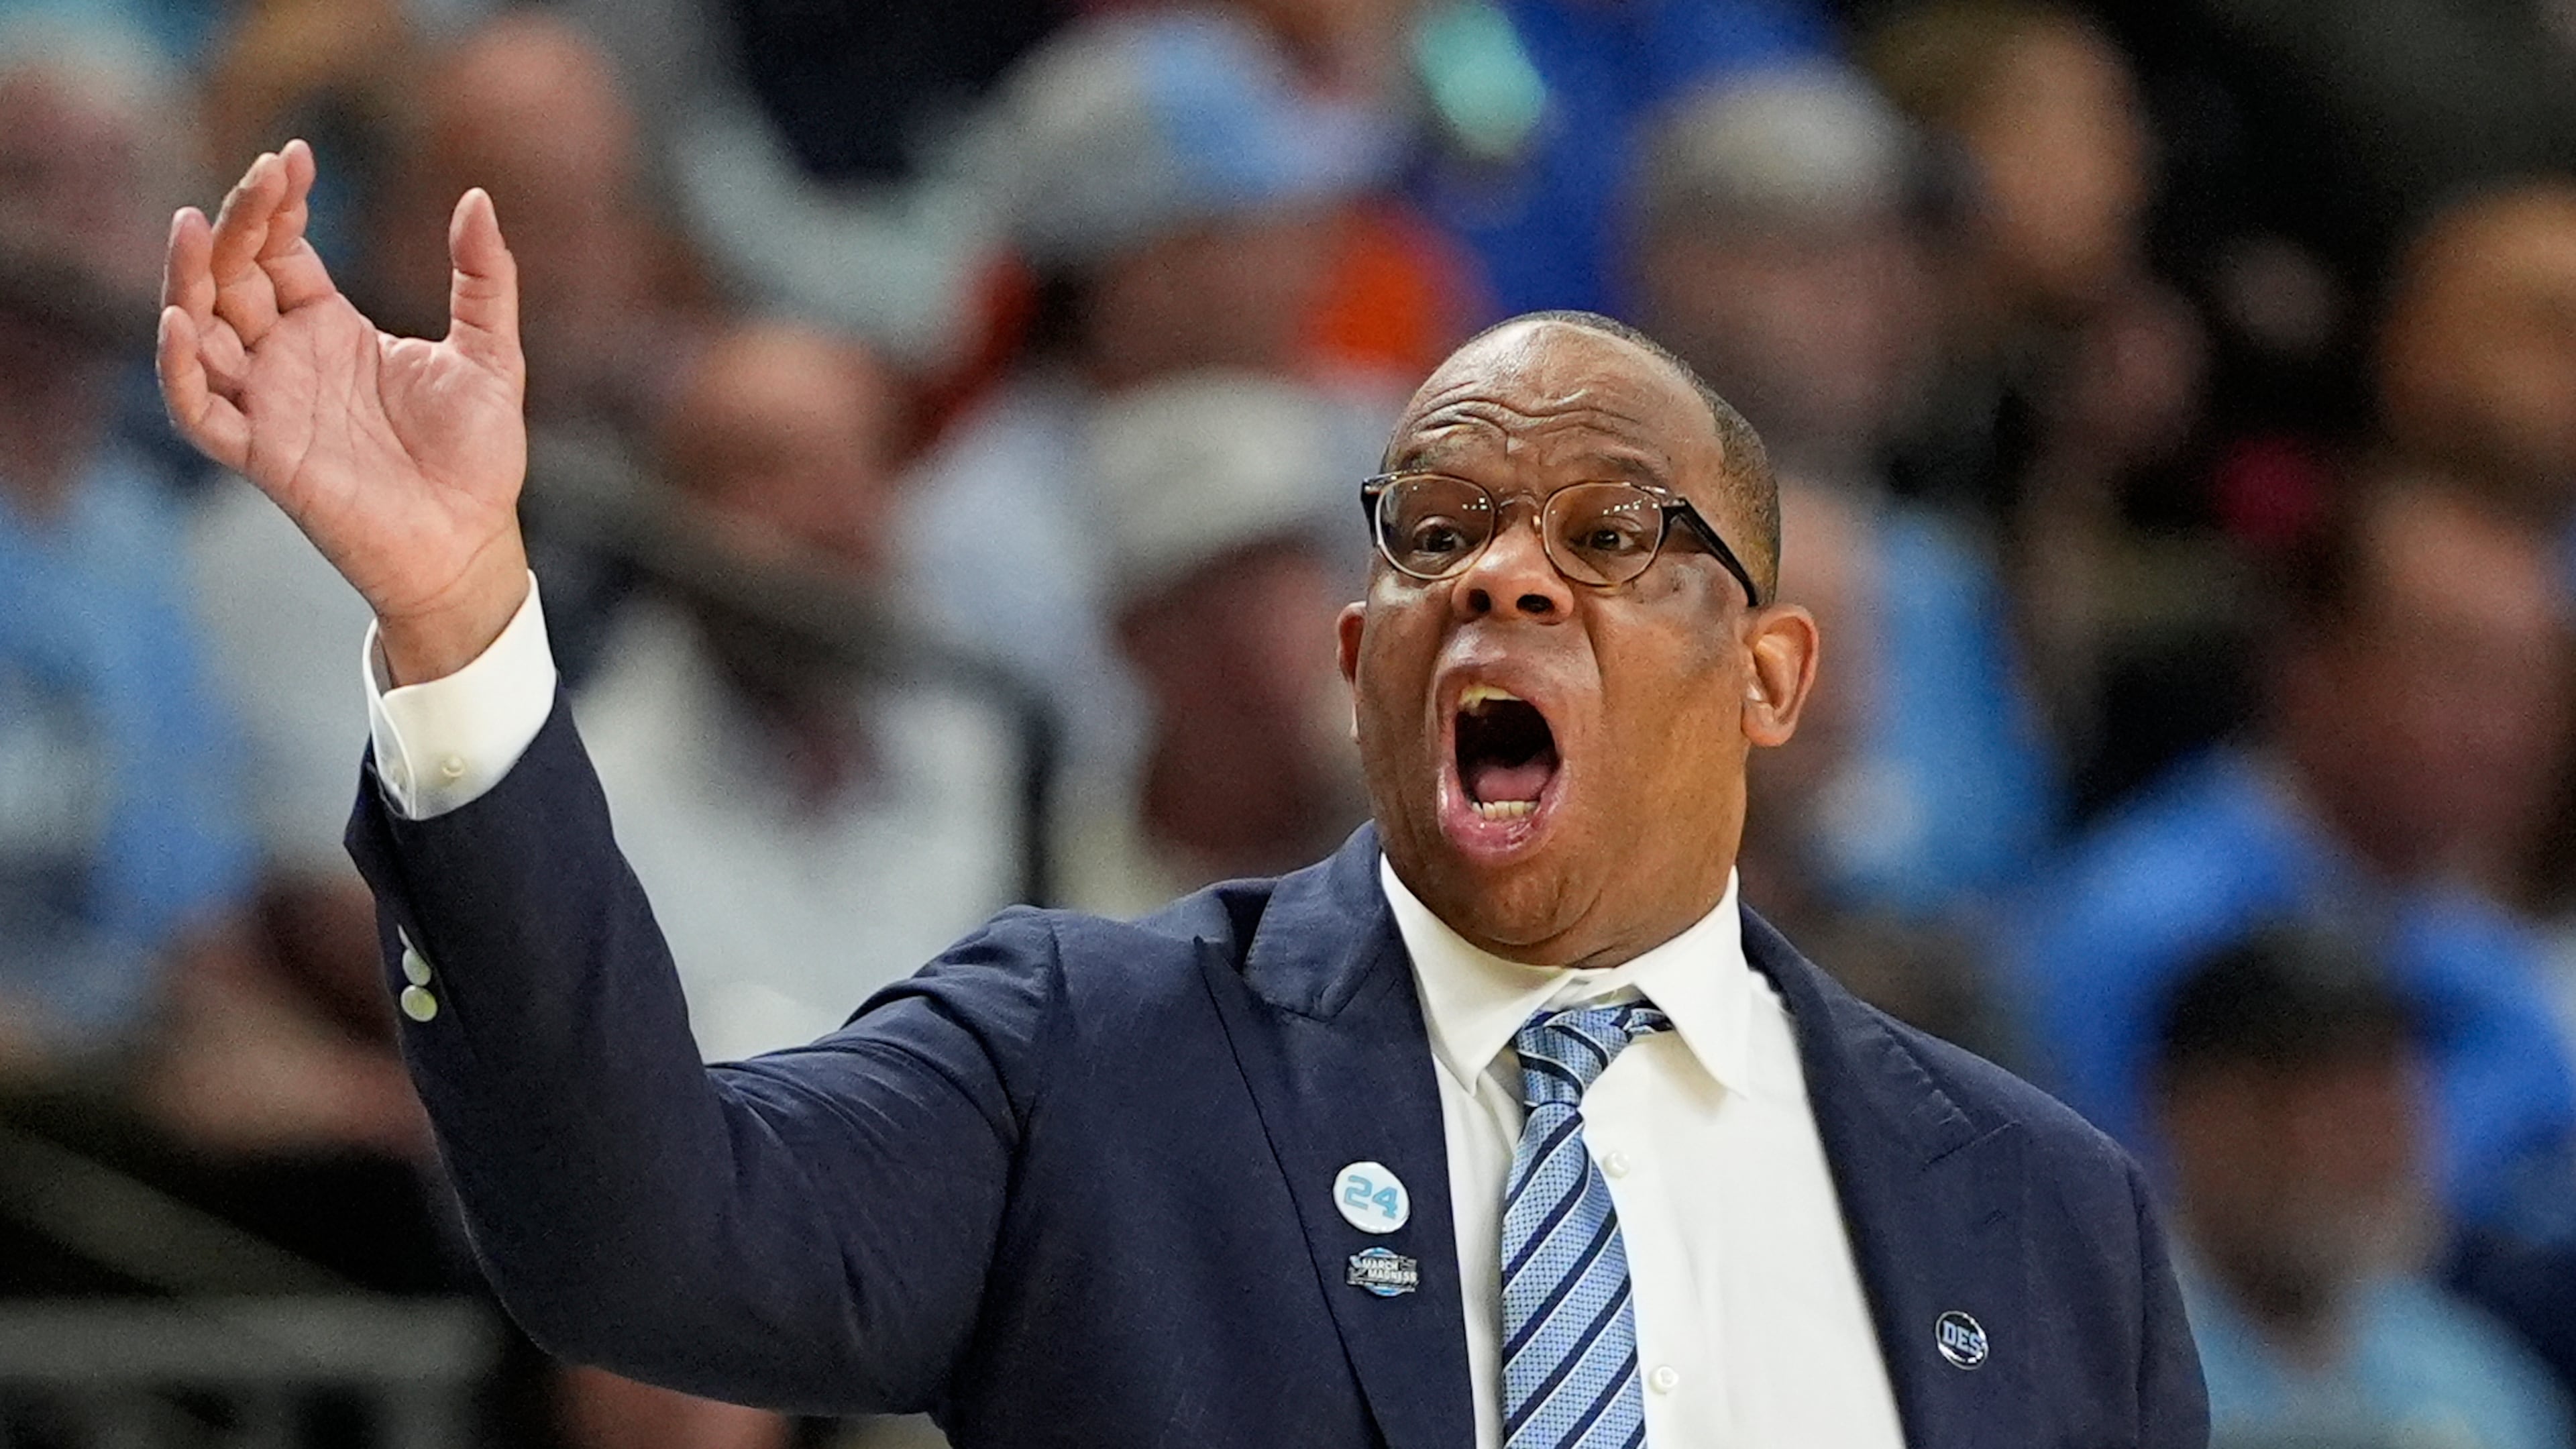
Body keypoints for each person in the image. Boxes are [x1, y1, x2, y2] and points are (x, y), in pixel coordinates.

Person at [156, 140, 2207, 1446]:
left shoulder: (2034, 1216)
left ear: (1765, 679)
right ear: (1358, 662)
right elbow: (642, 1240)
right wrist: (458, 620)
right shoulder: (1090, 1063)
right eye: (1430, 534)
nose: (1501, 575)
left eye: (1611, 531)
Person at [2005, 467, 2576, 1235]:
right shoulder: (2133, 932)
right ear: (2307, 666)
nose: (2500, 730)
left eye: (2527, 684)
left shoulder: (2495, 964)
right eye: (2452, 669)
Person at [2152, 927, 2573, 1449]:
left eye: (2388, 1104)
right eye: (2336, 1110)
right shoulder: (2102, 1360)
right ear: (2205, 1118)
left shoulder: (2470, 1379)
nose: (2374, 1151)